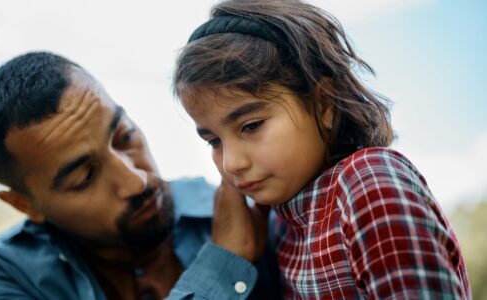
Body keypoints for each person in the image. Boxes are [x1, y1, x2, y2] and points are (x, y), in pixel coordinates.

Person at [173, 0, 471, 298]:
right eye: (214, 141)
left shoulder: (368, 185)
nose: (231, 164)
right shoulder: (277, 224)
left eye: (251, 126)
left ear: (324, 103)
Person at [0, 51, 282, 299]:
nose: (136, 181)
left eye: (124, 138)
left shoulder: (254, 209)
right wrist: (224, 263)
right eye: (84, 177)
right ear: (27, 205)